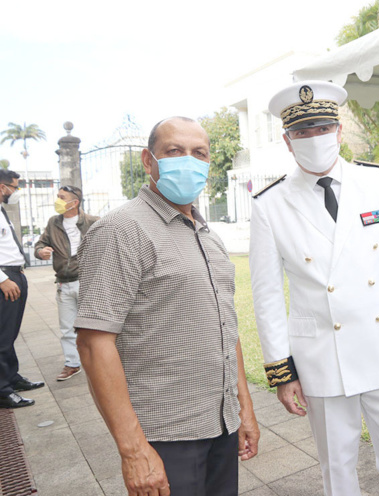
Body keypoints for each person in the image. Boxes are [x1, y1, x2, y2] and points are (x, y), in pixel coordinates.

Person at [250, 81, 379, 496]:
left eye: (321, 128)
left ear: (337, 131)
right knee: (337, 471)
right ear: (287, 141)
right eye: (302, 132)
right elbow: (266, 295)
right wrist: (282, 371)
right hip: (320, 355)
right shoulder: (270, 204)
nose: (313, 138)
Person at [75, 117, 259, 496]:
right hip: (166, 434)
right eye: (174, 151)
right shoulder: (122, 230)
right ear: (148, 160)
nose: (188, 161)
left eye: (199, 153)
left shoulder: (208, 237)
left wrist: (244, 409)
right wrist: (134, 451)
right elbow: (94, 344)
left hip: (221, 426)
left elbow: (227, 328)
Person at [34, 185, 98, 381]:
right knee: (67, 328)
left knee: (95, 325)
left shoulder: (93, 222)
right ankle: (72, 363)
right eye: (58, 196)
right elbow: (40, 244)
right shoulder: (54, 223)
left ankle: (100, 361)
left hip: (86, 282)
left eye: (62, 197)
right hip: (64, 282)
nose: (58, 200)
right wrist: (40, 251)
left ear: (74, 202)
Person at [0, 168, 44, 409]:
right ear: (2, 187)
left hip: (13, 274)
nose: (15, 192)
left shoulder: (1, 210)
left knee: (10, 333)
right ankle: (2, 389)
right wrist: (2, 279)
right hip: (4, 277)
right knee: (2, 336)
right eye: (14, 187)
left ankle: (12, 377)